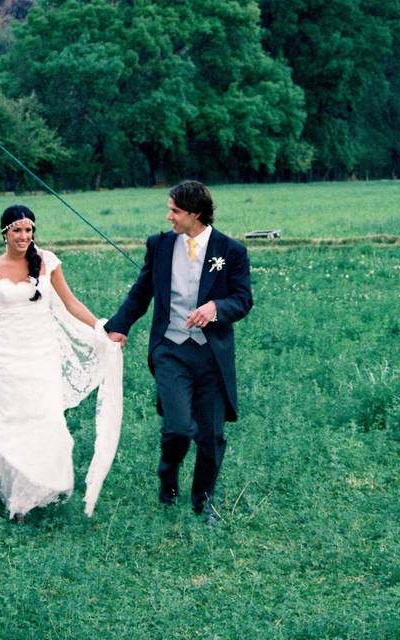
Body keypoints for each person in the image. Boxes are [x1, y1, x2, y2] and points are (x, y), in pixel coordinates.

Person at [0, 205, 123, 520]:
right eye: (17, 230)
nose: (24, 236)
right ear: (5, 233)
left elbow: (70, 303)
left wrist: (102, 328)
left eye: (29, 230)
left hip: (42, 353)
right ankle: (15, 494)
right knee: (13, 420)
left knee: (45, 417)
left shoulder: (47, 262)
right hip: (8, 355)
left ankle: (37, 490)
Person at [105, 180, 253, 521]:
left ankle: (204, 503)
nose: (168, 216)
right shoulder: (159, 245)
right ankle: (167, 479)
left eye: (175, 210)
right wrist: (118, 325)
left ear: (195, 214)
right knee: (177, 428)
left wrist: (215, 307)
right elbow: (141, 292)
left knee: (211, 435)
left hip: (211, 356)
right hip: (170, 351)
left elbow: (243, 299)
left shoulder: (231, 251)